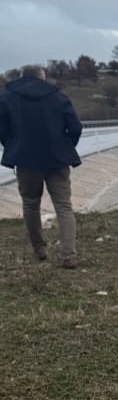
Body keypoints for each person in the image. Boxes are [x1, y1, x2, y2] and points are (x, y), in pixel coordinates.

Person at [0, 64, 83, 267]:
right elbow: (75, 126)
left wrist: (12, 146)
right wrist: (65, 146)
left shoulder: (7, 97)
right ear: (42, 77)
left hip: (26, 160)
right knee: (63, 206)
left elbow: (2, 128)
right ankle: (68, 255)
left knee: (30, 204)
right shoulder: (58, 96)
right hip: (57, 159)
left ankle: (39, 250)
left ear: (22, 77)